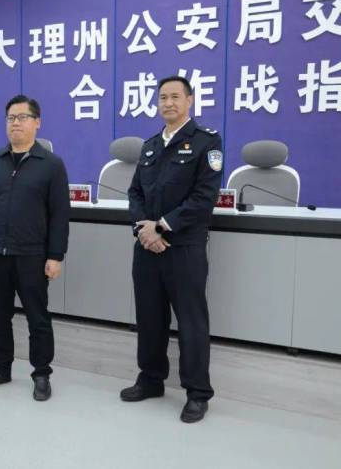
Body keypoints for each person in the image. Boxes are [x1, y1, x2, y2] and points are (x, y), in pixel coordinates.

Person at [121, 75, 222, 423]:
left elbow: (204, 198)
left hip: (184, 249)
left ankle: (197, 393)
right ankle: (151, 380)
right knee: (149, 319)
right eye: (163, 97)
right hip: (147, 248)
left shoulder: (206, 142)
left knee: (192, 323)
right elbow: (135, 193)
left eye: (175, 96)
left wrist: (161, 227)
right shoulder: (150, 145)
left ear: (189, 100)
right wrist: (143, 229)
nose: (168, 103)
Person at [0, 95, 70, 401]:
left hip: (32, 256)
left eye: (23, 117)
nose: (16, 123)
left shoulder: (51, 165)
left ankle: (41, 374)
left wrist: (55, 256)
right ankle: (0, 367)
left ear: (37, 122)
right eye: (11, 118)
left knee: (38, 319)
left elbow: (60, 215)